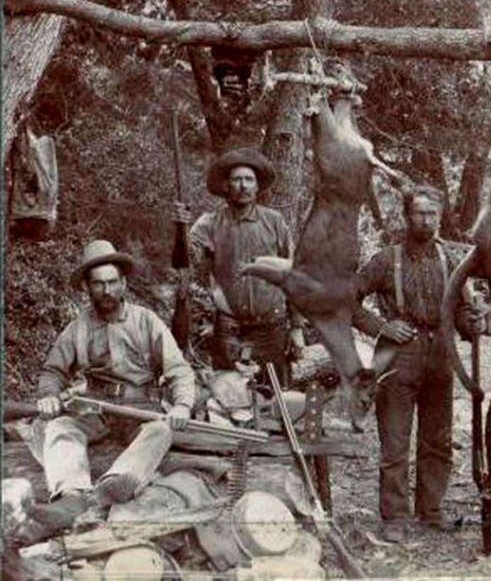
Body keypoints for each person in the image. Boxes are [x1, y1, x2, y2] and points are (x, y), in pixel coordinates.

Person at [28, 240, 196, 532]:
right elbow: (53, 370)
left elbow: (178, 370)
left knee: (161, 430)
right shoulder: (78, 327)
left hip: (141, 408)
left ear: (124, 283)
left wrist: (182, 405)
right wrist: (48, 395)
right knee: (59, 427)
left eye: (112, 282)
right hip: (95, 409)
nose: (107, 291)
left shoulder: (146, 321)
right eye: (98, 284)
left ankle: (116, 484)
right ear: (87, 287)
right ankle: (71, 496)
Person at [353, 185, 485, 543]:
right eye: (419, 213)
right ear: (406, 216)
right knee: (394, 440)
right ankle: (394, 516)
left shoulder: (453, 260)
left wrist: (472, 324)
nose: (426, 220)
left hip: (441, 354)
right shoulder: (385, 260)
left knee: (437, 438)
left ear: (440, 217)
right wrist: (381, 326)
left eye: (432, 214)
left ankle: (431, 510)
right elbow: (347, 299)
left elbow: (461, 311)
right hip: (398, 354)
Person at [173, 148, 306, 385]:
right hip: (229, 333)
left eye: (249, 180)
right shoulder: (209, 223)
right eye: (236, 179)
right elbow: (184, 261)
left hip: (272, 330)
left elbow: (294, 275)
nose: (243, 185)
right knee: (226, 402)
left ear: (257, 187)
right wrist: (180, 229)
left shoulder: (274, 222)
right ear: (226, 186)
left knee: (275, 402)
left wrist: (296, 327)